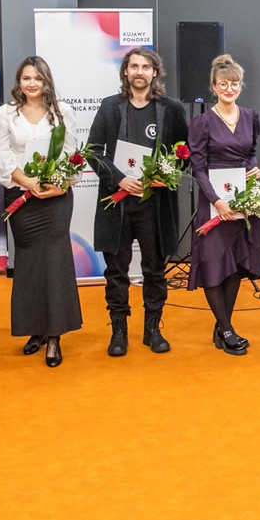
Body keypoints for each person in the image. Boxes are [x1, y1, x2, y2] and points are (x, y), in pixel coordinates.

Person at [86, 47, 189, 357]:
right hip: (117, 202)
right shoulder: (109, 107)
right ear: (126, 72)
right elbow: (93, 150)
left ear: (154, 72)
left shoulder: (171, 109)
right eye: (134, 66)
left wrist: (168, 176)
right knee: (116, 271)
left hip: (155, 205)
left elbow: (183, 154)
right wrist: (118, 179)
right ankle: (119, 331)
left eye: (146, 66)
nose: (140, 71)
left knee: (155, 270)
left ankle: (152, 329)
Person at [0, 56, 82, 368]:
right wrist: (26, 181)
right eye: (26, 78)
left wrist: (59, 184)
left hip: (56, 198)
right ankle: (35, 329)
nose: (32, 83)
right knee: (29, 263)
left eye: (38, 78)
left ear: (46, 81)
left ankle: (55, 335)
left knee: (55, 261)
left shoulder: (63, 112)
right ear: (19, 81)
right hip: (21, 197)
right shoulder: (6, 114)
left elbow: (72, 154)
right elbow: (2, 154)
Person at [186, 55, 260, 355]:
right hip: (214, 204)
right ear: (214, 86)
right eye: (223, 84)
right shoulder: (203, 121)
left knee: (235, 265)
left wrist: (254, 168)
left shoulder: (250, 117)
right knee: (213, 264)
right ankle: (228, 329)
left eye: (234, 84)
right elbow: (198, 167)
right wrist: (217, 202)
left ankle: (224, 327)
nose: (229, 89)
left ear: (240, 86)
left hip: (243, 201)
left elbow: (252, 153)